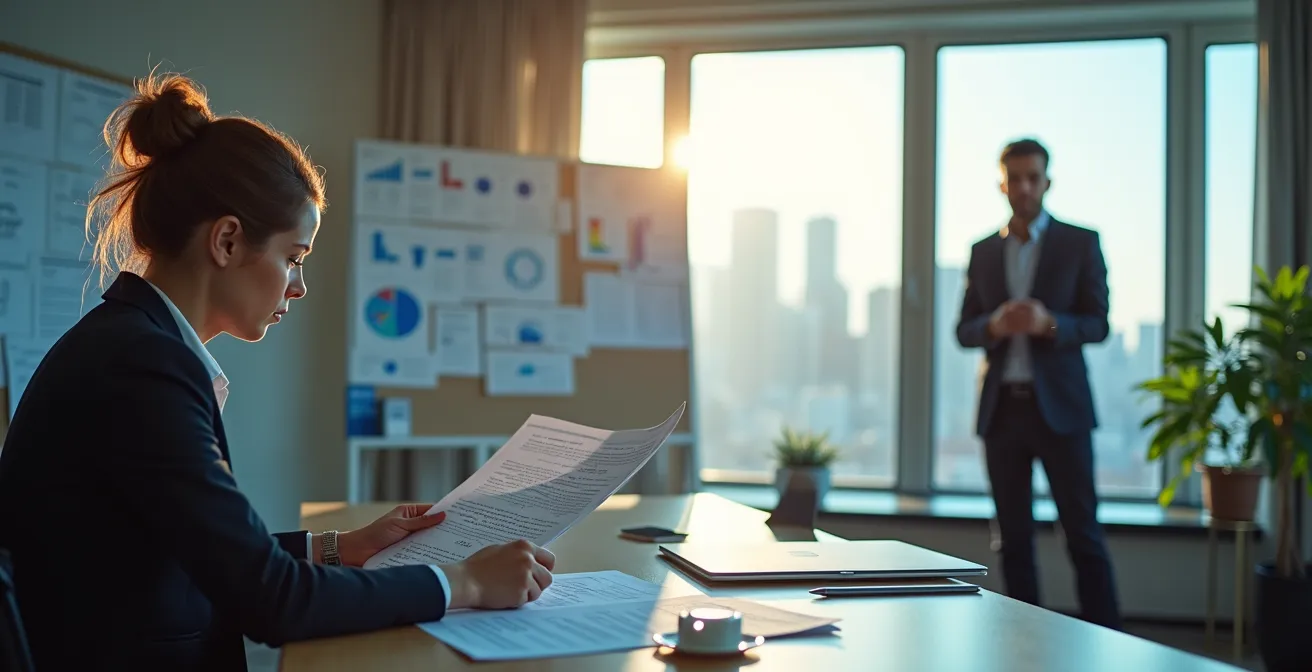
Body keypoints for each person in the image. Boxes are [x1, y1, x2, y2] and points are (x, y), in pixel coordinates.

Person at [0, 73, 555, 670]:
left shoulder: (135, 343)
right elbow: (272, 602)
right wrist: (465, 584)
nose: (300, 285)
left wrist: (340, 548)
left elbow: (190, 549)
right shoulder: (142, 367)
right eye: (293, 258)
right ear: (228, 241)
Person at [955, 138, 1122, 630]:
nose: (1025, 187)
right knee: (1013, 538)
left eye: (1034, 177)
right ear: (1002, 183)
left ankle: (1109, 642)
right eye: (1016, 178)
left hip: (1063, 411)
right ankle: (1024, 646)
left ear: (1047, 181)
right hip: (1003, 410)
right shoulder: (983, 251)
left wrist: (1051, 323)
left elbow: (1098, 323)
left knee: (1083, 534)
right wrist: (994, 326)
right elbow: (963, 331)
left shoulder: (1080, 242)